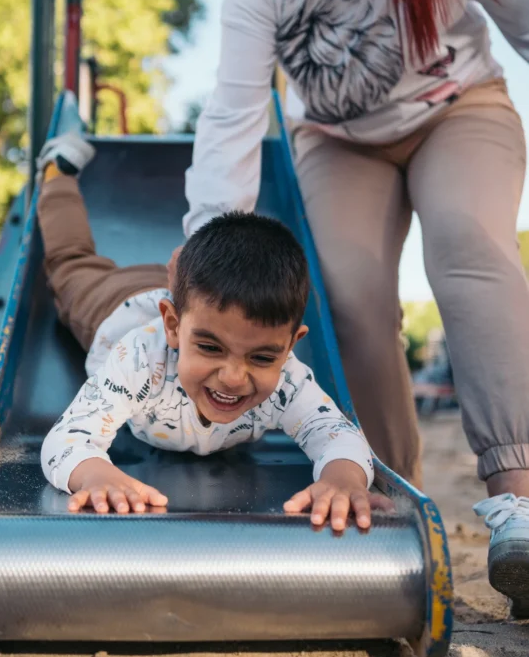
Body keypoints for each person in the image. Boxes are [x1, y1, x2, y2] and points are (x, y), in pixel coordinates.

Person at [182, 0, 529, 608]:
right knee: (345, 289)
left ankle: (517, 501)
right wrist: (200, 256)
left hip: (459, 114)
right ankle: (390, 496)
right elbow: (231, 111)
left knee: (463, 240)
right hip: (338, 140)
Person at [37, 131, 380, 530]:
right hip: (116, 303)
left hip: (196, 303)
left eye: (262, 357)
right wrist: (96, 475)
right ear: (172, 327)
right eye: (210, 349)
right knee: (68, 264)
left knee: (214, 314)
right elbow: (66, 439)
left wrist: (342, 478)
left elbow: (334, 432)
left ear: (291, 345)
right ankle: (56, 173)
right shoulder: (140, 358)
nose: (233, 377)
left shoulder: (287, 378)